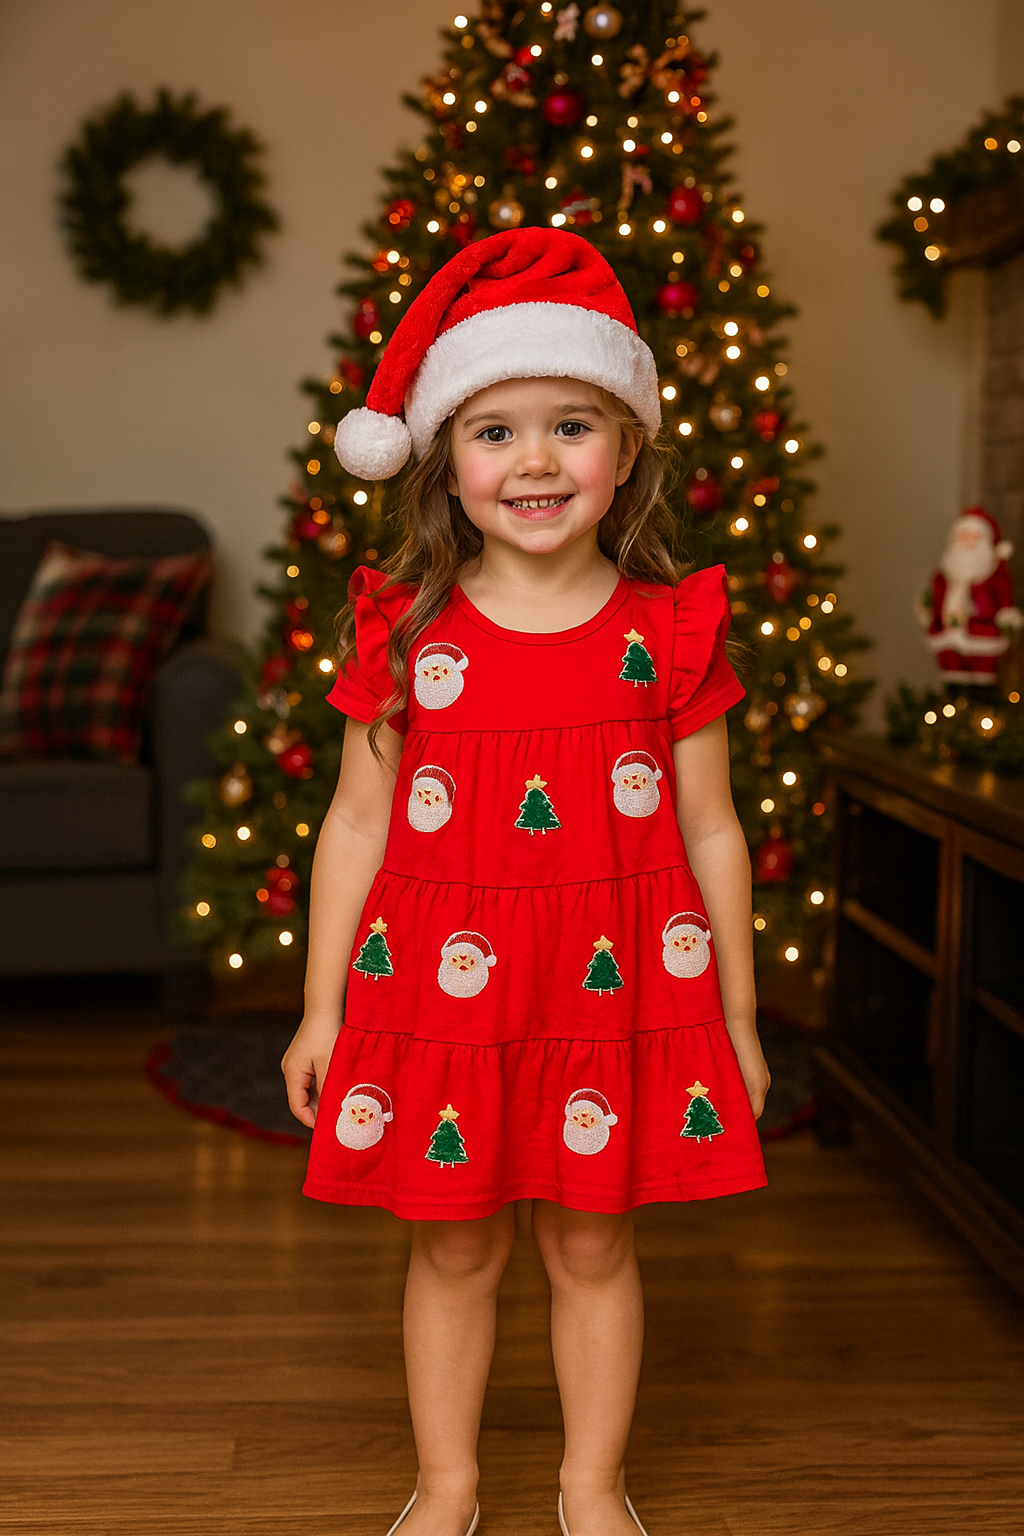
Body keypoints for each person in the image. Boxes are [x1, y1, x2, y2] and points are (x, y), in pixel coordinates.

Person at [282, 228, 770, 1536]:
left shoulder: (670, 633)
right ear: (445, 462)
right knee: (453, 1243)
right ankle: (446, 1488)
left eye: (571, 425)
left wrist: (734, 1021)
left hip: (611, 1001)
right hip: (445, 1004)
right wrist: (325, 1011)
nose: (537, 461)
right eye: (496, 432)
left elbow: (713, 832)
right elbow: (356, 823)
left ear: (628, 449)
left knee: (594, 1245)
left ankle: (588, 1487)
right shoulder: (403, 629)